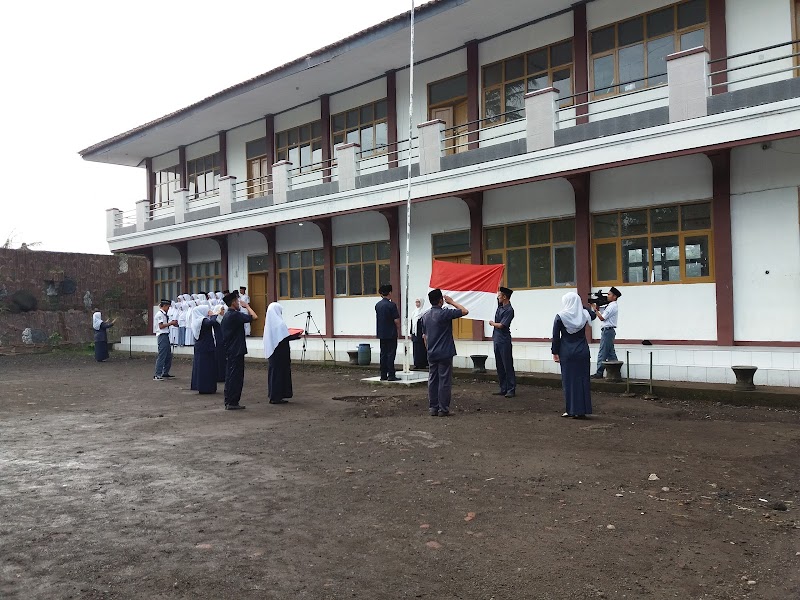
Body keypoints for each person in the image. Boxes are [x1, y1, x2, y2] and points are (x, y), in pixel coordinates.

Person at [421, 289, 468, 417]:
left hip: (431, 352)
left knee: (432, 380)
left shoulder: (425, 316)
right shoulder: (444, 313)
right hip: (445, 352)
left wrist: (428, 350)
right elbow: (465, 311)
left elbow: (424, 336)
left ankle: (433, 408)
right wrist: (452, 302)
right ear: (441, 301)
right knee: (444, 381)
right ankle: (443, 409)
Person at [552, 292, 597, 419]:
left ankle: (571, 409)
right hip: (582, 351)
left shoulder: (560, 316)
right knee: (583, 381)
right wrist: (582, 306)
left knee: (569, 381)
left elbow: (556, 337)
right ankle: (583, 410)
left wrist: (555, 352)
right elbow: (593, 314)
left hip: (567, 352)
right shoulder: (584, 314)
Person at [221, 291, 258, 410]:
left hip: (230, 349)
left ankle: (229, 401)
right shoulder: (234, 315)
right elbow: (254, 317)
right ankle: (233, 402)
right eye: (237, 301)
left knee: (230, 376)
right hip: (236, 350)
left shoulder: (227, 315)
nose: (238, 303)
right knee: (236, 377)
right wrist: (247, 306)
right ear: (233, 303)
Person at [263, 302, 303, 404]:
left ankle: (274, 395)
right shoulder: (280, 323)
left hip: (273, 352)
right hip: (280, 353)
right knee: (280, 374)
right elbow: (285, 337)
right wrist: (296, 336)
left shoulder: (269, 324)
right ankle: (277, 396)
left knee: (274, 374)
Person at [489, 286, 515, 398]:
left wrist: (492, 323)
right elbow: (498, 290)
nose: (498, 297)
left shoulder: (509, 310)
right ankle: (503, 388)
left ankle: (511, 389)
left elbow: (502, 325)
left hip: (504, 340)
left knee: (507, 365)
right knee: (499, 365)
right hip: (497, 339)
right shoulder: (500, 307)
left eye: (499, 296)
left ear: (504, 297)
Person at [591, 287, 621, 379]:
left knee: (602, 352)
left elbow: (602, 318)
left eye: (609, 294)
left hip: (607, 331)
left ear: (614, 296)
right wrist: (598, 306)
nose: (607, 296)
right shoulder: (610, 305)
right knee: (611, 353)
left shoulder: (612, 306)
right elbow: (603, 313)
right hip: (608, 331)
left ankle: (599, 373)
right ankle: (615, 372)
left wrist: (595, 309)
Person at [190, 305, 220, 394]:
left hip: (202, 346)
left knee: (205, 367)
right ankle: (205, 387)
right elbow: (212, 323)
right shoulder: (201, 320)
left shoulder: (197, 320)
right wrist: (213, 315)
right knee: (205, 368)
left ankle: (205, 386)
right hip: (205, 347)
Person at [375, 283, 401, 381]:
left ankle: (383, 374)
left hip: (381, 333)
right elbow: (396, 320)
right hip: (391, 333)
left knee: (383, 354)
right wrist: (398, 329)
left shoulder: (378, 305)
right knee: (391, 354)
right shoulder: (392, 305)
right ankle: (391, 375)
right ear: (390, 293)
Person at [153, 299, 178, 380]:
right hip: (162, 335)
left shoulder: (164, 314)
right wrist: (171, 323)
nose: (168, 308)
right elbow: (161, 326)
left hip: (166, 335)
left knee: (168, 355)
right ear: (164, 306)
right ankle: (157, 374)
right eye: (167, 307)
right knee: (162, 355)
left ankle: (165, 372)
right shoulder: (160, 314)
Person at [410, 297, 428, 370]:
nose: (417, 304)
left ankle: (423, 363)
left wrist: (424, 332)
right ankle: (417, 363)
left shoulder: (424, 312)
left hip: (421, 333)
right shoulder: (414, 312)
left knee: (422, 349)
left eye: (418, 302)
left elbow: (424, 324)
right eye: (416, 302)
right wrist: (411, 332)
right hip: (415, 333)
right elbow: (412, 323)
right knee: (415, 349)